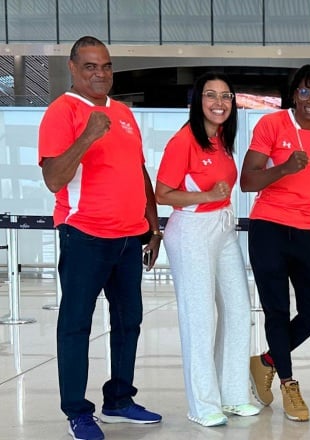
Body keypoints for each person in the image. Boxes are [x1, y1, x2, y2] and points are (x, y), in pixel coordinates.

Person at [37, 36, 162, 440]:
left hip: (129, 238)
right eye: (90, 66)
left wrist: (153, 224)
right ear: (73, 67)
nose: (100, 73)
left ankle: (119, 400)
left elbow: (138, 170)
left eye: (106, 66)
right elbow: (54, 178)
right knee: (76, 326)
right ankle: (77, 410)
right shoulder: (62, 111)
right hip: (85, 235)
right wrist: (88, 135)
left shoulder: (124, 113)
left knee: (130, 323)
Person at [155, 72, 261, 427]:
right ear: (197, 100)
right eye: (211, 95)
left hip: (223, 226)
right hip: (192, 230)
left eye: (226, 96)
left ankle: (232, 395)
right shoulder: (183, 140)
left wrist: (218, 200)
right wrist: (207, 196)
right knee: (200, 318)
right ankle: (203, 405)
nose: (219, 103)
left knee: (236, 308)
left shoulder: (221, 140)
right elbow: (162, 193)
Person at [240, 64, 310, 422]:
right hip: (268, 226)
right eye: (304, 91)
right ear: (293, 94)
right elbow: (247, 180)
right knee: (277, 310)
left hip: (308, 230)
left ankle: (266, 360)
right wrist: (283, 168)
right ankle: (287, 382)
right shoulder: (271, 125)